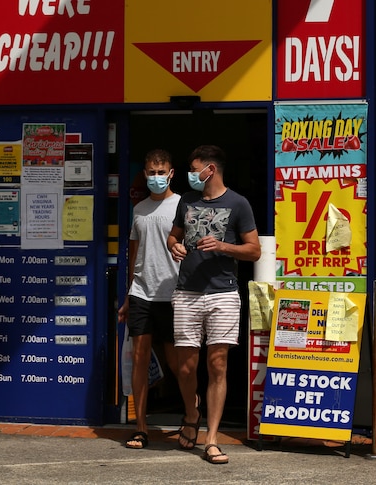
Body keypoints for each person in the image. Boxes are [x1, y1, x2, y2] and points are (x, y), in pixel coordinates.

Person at [167, 145, 261, 464]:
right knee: (185, 366)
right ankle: (192, 413)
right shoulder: (186, 201)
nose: (191, 175)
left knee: (217, 363)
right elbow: (173, 236)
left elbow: (254, 250)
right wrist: (175, 247)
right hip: (187, 292)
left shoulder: (238, 203)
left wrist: (222, 245)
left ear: (211, 169)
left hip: (222, 293)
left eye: (195, 170)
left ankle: (211, 437)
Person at [117, 149, 181, 450]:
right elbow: (133, 253)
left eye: (161, 172)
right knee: (140, 359)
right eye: (151, 172)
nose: (156, 177)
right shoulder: (139, 209)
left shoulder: (183, 205)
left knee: (178, 362)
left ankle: (191, 416)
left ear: (171, 173)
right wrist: (129, 295)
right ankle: (141, 427)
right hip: (142, 292)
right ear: (145, 174)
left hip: (173, 294)